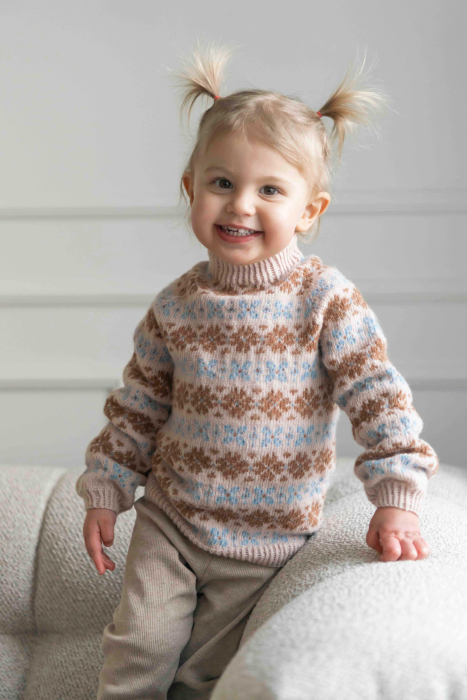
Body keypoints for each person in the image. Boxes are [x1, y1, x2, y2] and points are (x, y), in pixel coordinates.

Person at [76, 39, 439, 700]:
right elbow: (137, 407)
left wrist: (395, 498)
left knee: (205, 677)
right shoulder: (176, 306)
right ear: (191, 189)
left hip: (268, 538)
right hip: (170, 520)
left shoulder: (325, 300)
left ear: (308, 211)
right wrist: (107, 488)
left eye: (269, 189)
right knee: (140, 650)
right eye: (222, 183)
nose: (240, 205)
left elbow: (377, 397)